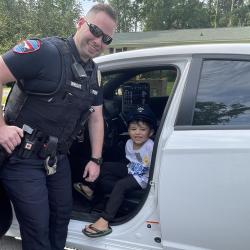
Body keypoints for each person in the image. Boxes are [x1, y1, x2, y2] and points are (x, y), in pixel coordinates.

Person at [0, 3, 117, 250]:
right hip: (22, 157)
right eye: (95, 30)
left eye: (106, 38)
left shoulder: (93, 73)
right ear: (80, 23)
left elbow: (96, 117)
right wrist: (0, 127)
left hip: (57, 159)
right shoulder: (44, 52)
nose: (99, 40)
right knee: (37, 228)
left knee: (60, 220)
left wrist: (95, 159)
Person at [80, 105, 156, 238]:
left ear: (150, 133)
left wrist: (130, 178)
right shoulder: (128, 144)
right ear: (128, 130)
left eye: (143, 129)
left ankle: (105, 220)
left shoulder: (151, 146)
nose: (137, 132)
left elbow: (151, 168)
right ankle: (92, 189)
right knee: (105, 167)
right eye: (133, 129)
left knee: (121, 185)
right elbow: (130, 162)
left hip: (143, 178)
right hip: (131, 169)